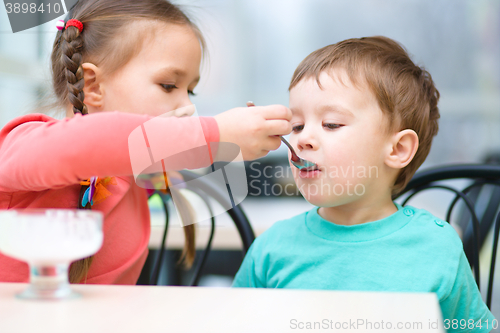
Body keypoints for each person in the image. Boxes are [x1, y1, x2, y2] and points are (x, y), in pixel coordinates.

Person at [0, 0, 292, 285]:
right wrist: (215, 134)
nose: (187, 106)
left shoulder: (135, 177)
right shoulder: (23, 144)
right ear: (92, 85)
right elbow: (91, 141)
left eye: (191, 92)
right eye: (168, 86)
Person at [232, 36, 495, 330]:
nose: (302, 138)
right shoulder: (271, 248)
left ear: (397, 149)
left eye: (331, 124)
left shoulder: (437, 248)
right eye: (297, 126)